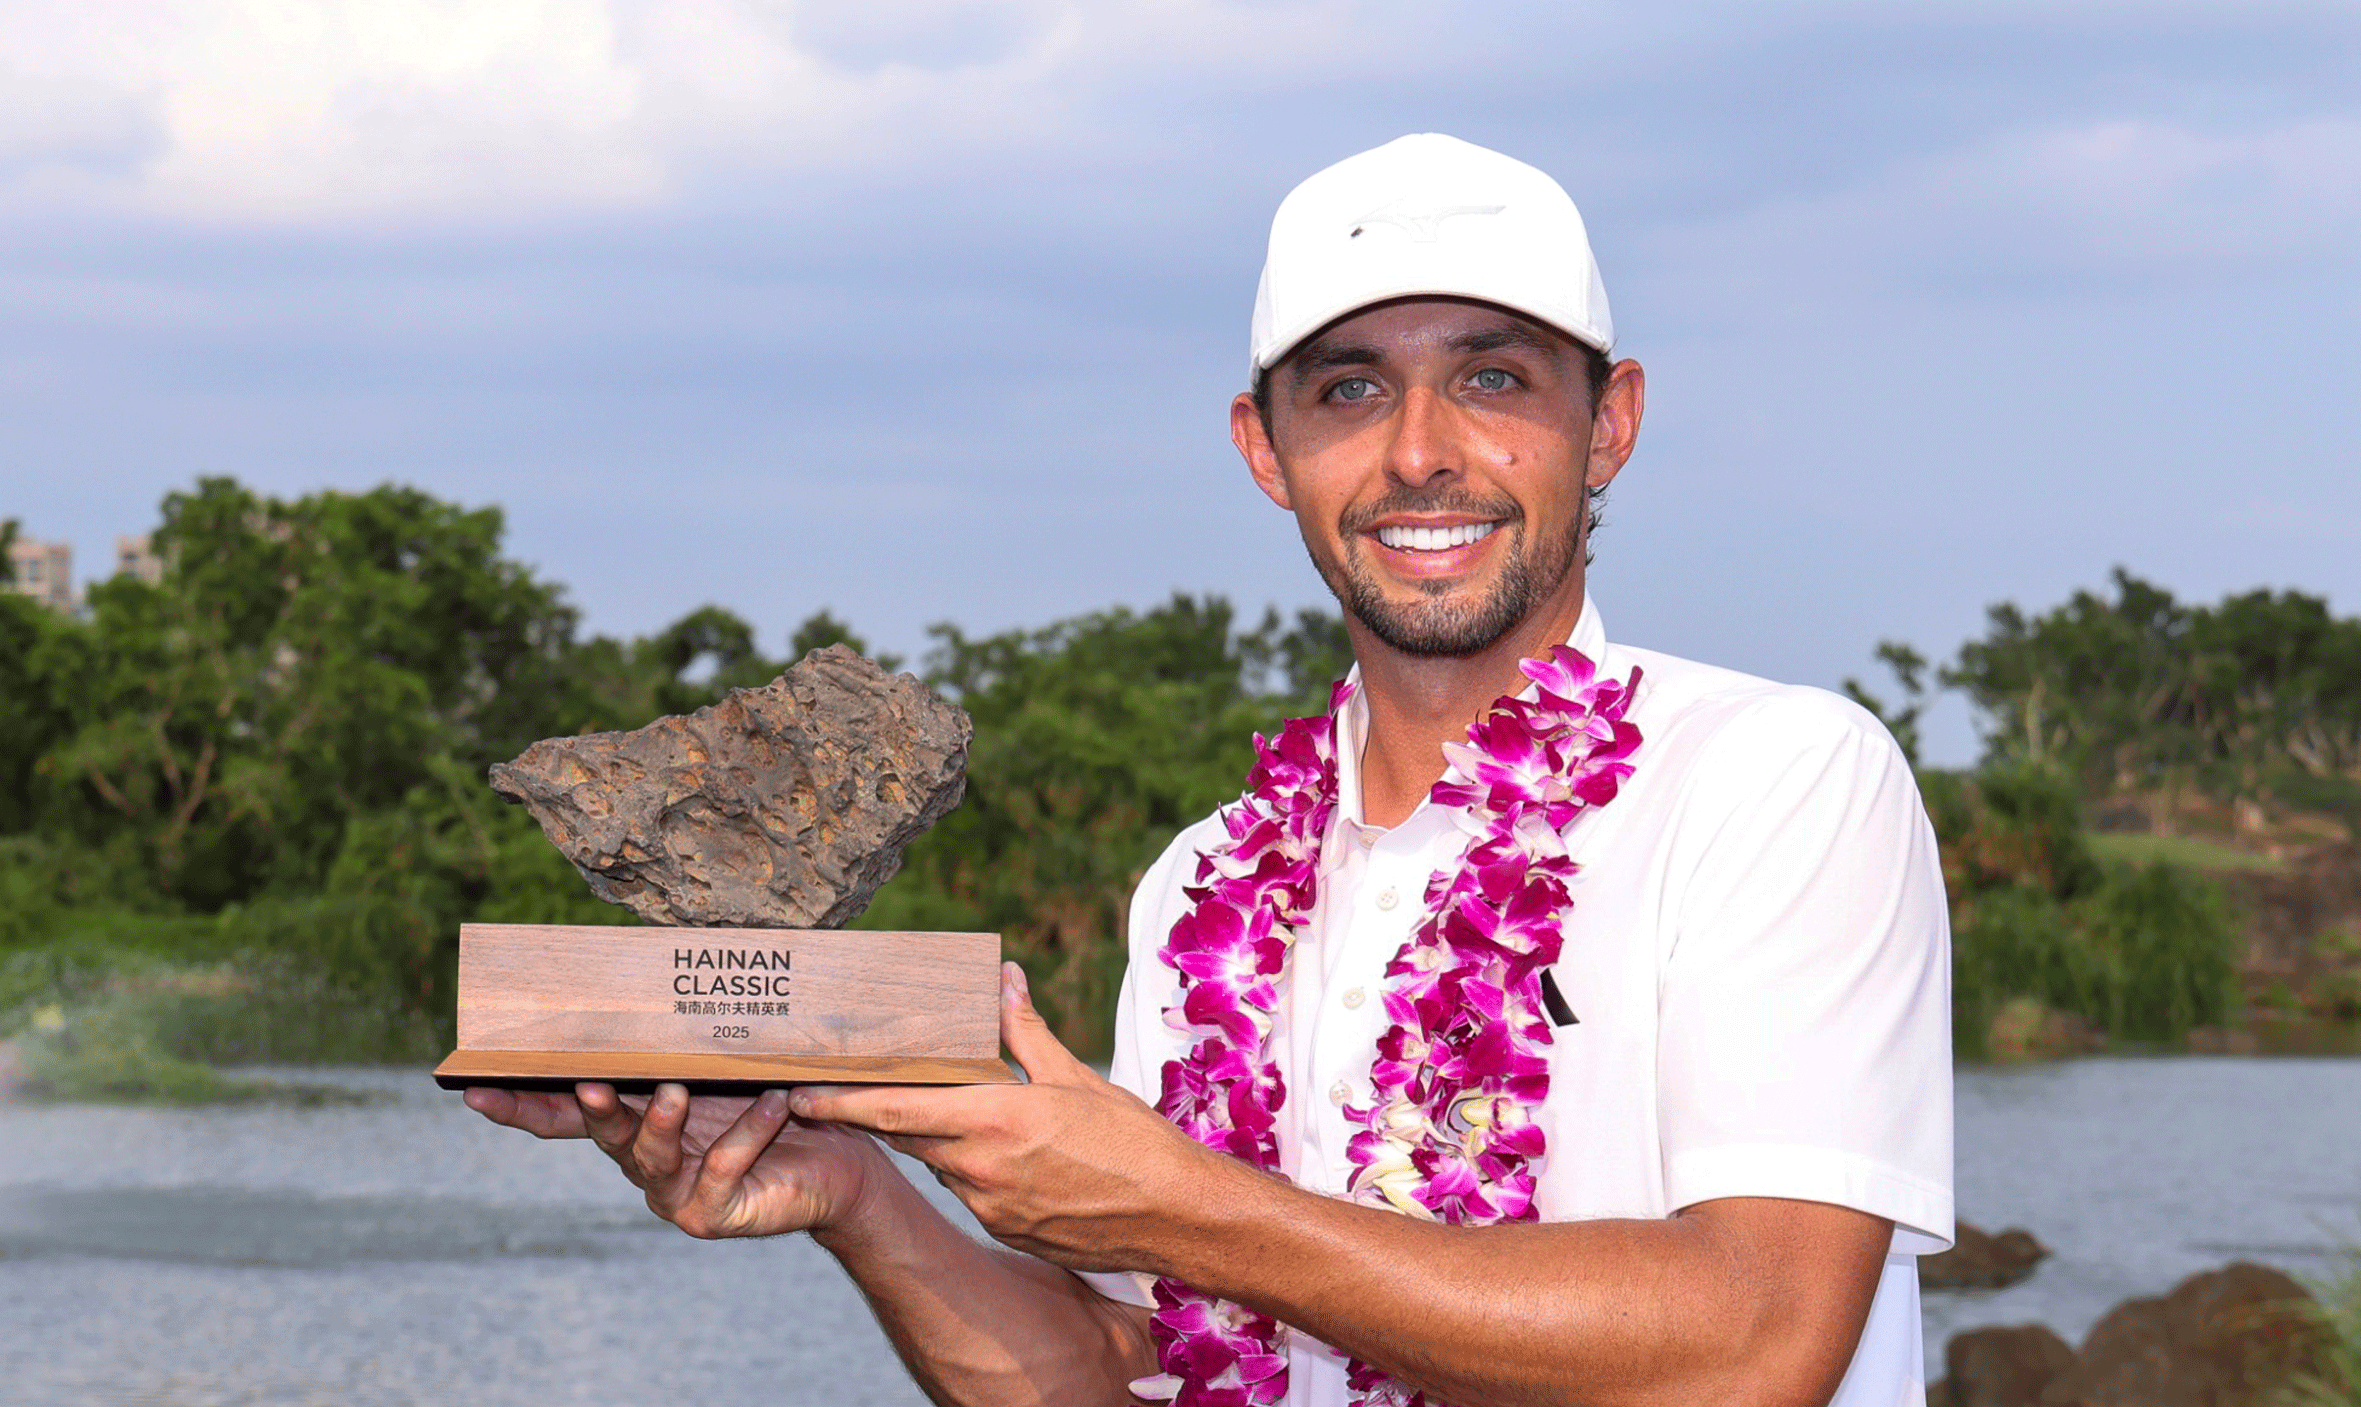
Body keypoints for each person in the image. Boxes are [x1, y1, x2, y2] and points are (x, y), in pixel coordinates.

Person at [468, 132, 1953, 1407]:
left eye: (1494, 378)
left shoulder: (1779, 782)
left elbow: (1758, 1339)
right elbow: (1132, 1365)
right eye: (1351, 391)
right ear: (1266, 446)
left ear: (1608, 423)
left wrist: (1178, 1197)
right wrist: (858, 1195)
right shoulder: (1210, 881)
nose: (1422, 453)